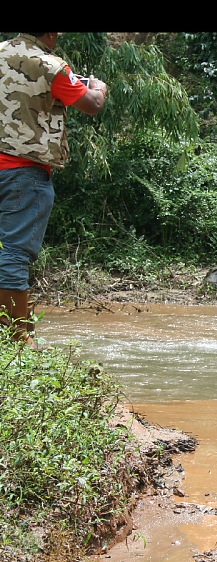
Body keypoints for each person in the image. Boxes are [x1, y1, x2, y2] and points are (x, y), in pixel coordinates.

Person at [0, 32, 108, 348]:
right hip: (22, 173)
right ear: (50, 33)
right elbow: (91, 105)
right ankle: (18, 341)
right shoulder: (51, 66)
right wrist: (98, 87)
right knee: (14, 255)